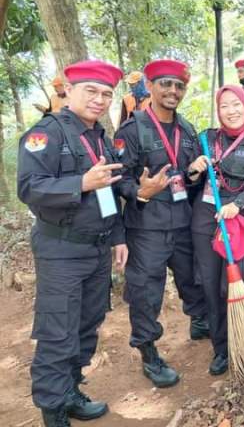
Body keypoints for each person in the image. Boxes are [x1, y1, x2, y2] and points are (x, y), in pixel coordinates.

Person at [18, 60, 128, 426]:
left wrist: (118, 237)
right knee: (57, 330)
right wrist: (80, 183)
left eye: (106, 94)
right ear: (69, 90)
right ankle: (52, 409)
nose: (99, 100)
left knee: (87, 325)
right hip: (61, 250)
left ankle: (70, 390)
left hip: (96, 249)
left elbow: (108, 192)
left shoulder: (100, 137)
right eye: (91, 91)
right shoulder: (45, 134)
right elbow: (29, 187)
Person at [115, 59, 208, 388]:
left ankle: (199, 322)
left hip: (183, 221)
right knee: (145, 291)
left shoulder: (188, 130)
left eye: (179, 85)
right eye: (165, 84)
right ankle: (148, 350)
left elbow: (191, 179)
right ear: (150, 87)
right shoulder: (133, 128)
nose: (172, 90)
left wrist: (195, 174)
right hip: (147, 227)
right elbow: (118, 178)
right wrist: (140, 191)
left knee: (193, 278)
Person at [189, 85, 244, 375]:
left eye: (236, 104)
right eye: (224, 105)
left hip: (242, 217)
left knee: (241, 281)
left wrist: (238, 204)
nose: (231, 111)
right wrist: (194, 169)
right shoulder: (206, 138)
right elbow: (186, 178)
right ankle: (222, 348)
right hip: (206, 217)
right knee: (211, 286)